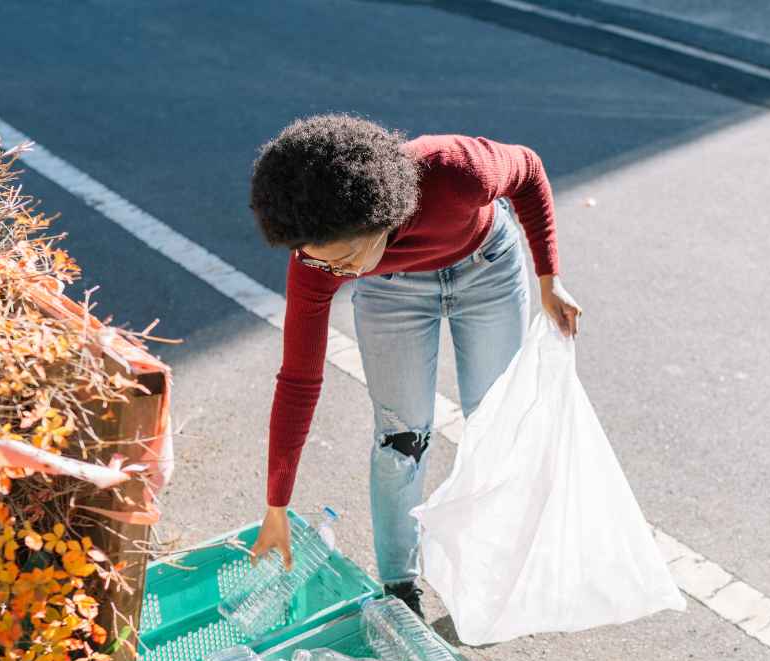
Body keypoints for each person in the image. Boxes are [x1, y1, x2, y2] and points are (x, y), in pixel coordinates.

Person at [245, 115, 581, 615]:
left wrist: (549, 278)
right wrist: (277, 504)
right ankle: (401, 587)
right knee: (401, 438)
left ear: (379, 218)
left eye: (345, 260)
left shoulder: (455, 170)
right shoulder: (315, 263)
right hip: (392, 291)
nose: (334, 274)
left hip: (485, 266)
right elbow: (298, 380)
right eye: (321, 262)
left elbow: (529, 170)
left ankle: (501, 564)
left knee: (495, 423)